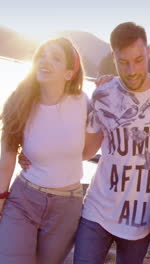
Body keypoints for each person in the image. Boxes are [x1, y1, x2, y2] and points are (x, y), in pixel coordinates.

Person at [72, 22, 150, 264]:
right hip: (97, 213)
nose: (132, 70)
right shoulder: (103, 95)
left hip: (141, 221)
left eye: (138, 59)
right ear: (114, 57)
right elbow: (86, 151)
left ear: (148, 52)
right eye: (123, 62)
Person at [0, 38, 98, 263]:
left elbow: (87, 152)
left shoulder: (84, 103)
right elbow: (6, 158)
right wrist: (0, 197)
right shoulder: (18, 102)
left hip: (66, 207)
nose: (45, 61)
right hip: (24, 199)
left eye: (55, 58)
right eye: (42, 55)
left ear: (69, 73)